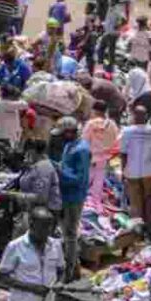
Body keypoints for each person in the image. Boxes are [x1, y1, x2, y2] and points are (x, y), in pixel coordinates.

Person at [55, 117, 90, 281]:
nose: (60, 137)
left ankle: (69, 272)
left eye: (63, 133)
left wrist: (59, 172)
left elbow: (79, 179)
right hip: (65, 194)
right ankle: (73, 268)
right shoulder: (69, 145)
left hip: (74, 197)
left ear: (70, 132)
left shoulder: (82, 150)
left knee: (70, 235)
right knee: (65, 232)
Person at [119, 105, 151, 236]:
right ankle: (149, 228)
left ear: (134, 116)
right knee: (149, 199)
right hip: (149, 172)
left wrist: (123, 170)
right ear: (146, 116)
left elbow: (123, 154)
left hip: (132, 172)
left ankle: (138, 232)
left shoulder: (127, 131)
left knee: (135, 203)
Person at [81, 100, 119, 207]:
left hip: (91, 158)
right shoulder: (111, 124)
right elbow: (116, 140)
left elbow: (84, 141)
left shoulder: (91, 124)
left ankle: (82, 204)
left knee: (85, 183)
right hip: (104, 158)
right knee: (98, 183)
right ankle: (96, 204)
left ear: (94, 110)